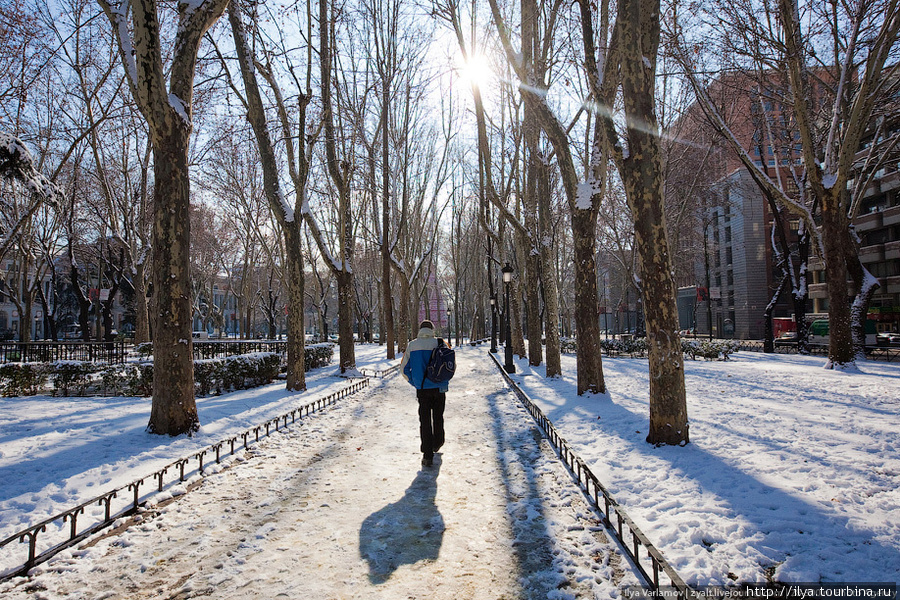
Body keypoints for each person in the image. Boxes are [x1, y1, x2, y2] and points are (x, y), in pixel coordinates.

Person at [400, 320, 448, 467]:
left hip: (422, 389)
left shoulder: (412, 345)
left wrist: (415, 382)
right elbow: (450, 365)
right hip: (439, 388)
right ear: (432, 330)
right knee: (438, 417)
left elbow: (403, 370)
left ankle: (427, 455)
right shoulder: (441, 343)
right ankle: (437, 443)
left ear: (420, 330)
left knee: (425, 421)